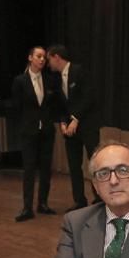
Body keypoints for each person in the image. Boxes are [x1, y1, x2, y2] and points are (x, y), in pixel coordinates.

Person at [47, 44, 102, 210]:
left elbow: (89, 97)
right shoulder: (56, 79)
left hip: (87, 125)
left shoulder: (80, 71)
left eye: (49, 59)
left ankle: (100, 197)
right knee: (73, 164)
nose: (48, 64)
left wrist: (76, 119)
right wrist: (64, 122)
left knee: (95, 162)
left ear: (57, 57)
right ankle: (79, 200)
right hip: (70, 129)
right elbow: (62, 105)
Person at [12, 46, 57, 222]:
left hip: (46, 130)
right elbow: (16, 107)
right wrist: (23, 126)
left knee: (46, 167)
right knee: (29, 168)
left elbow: (53, 104)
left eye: (44, 57)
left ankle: (43, 203)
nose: (42, 60)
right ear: (30, 58)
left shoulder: (49, 79)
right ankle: (27, 207)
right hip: (28, 131)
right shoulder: (20, 81)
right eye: (38, 56)